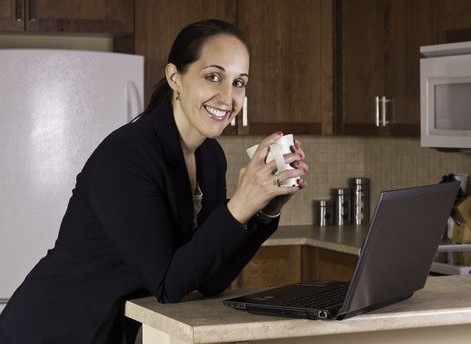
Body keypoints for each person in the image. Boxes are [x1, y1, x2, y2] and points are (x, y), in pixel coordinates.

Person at [0, 19, 308, 343]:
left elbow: (209, 279)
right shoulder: (127, 155)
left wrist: (264, 209)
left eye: (239, 82)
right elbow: (168, 284)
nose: (227, 97)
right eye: (213, 76)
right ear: (175, 77)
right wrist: (241, 203)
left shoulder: (210, 157)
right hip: (51, 330)